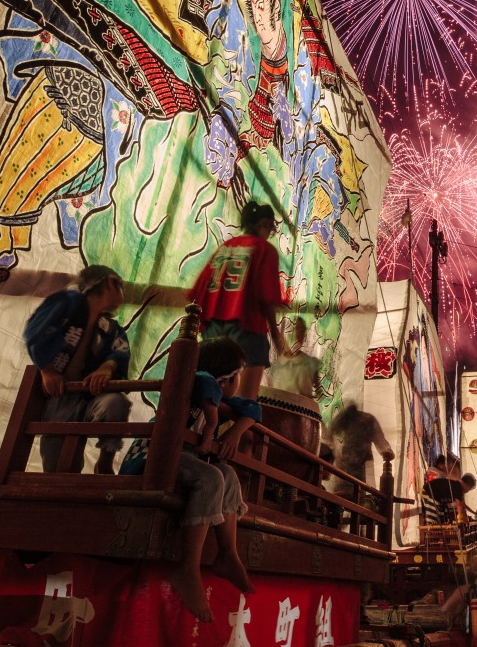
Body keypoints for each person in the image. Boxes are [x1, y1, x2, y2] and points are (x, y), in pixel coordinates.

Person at [120, 336, 259, 621]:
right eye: (236, 377)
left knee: (229, 475)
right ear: (224, 379)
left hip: (185, 459)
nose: (238, 384)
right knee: (211, 478)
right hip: (154, 455)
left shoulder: (220, 399)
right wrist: (211, 418)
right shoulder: (195, 384)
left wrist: (234, 432)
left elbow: (254, 410)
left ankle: (227, 553)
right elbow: (205, 380)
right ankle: (188, 567)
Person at [23, 264, 131, 474]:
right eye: (121, 287)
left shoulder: (109, 326)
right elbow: (35, 331)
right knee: (58, 469)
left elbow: (121, 349)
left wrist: (107, 368)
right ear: (109, 283)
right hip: (60, 394)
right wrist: (46, 369)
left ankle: (105, 463)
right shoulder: (67, 301)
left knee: (117, 403)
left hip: (92, 396)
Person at [189, 200, 286, 399]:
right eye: (270, 228)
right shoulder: (264, 249)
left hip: (213, 331)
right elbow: (267, 298)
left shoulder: (224, 248)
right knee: (243, 403)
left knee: (210, 397)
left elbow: (198, 293)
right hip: (246, 328)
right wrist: (276, 336)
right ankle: (237, 430)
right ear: (265, 224)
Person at [325, 403, 394, 495]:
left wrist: (387, 452)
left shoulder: (361, 419)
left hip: (354, 462)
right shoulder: (367, 419)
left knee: (351, 493)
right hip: (354, 462)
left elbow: (329, 436)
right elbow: (381, 442)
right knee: (355, 493)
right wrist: (387, 452)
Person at [267, 316, 322, 398]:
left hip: (301, 409)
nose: (298, 334)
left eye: (302, 330)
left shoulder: (311, 364)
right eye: (296, 329)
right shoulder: (275, 368)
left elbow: (318, 391)